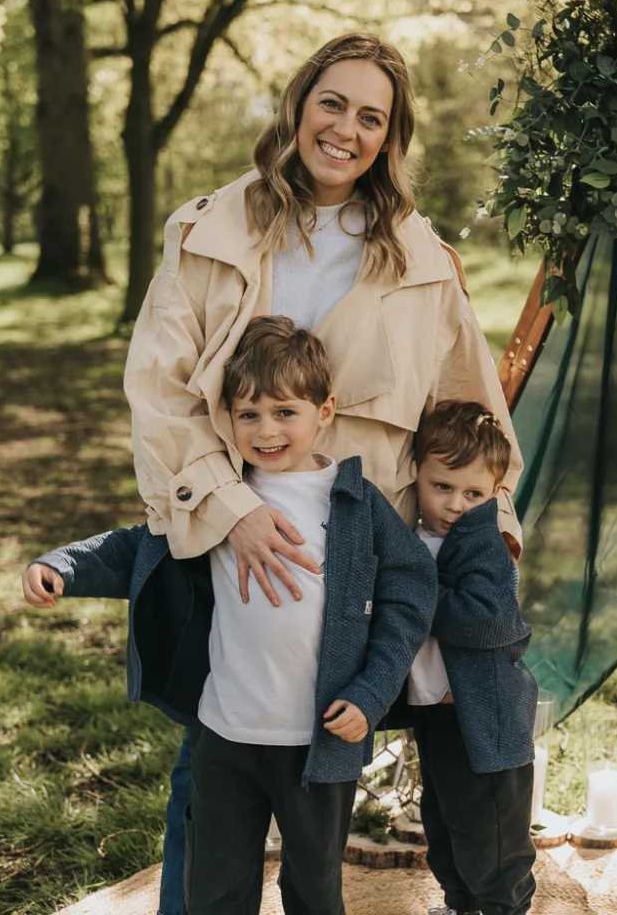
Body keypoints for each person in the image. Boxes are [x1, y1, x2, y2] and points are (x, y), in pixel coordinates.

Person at [120, 31, 525, 915]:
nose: (346, 128)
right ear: (300, 106)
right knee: (215, 765)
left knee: (427, 769)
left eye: (371, 116)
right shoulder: (209, 231)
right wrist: (231, 512)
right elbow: (157, 390)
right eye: (332, 103)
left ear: (391, 137)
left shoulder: (422, 259)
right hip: (236, 545)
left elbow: (469, 409)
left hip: (374, 561)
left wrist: (488, 536)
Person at [22, 316, 438, 915]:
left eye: (284, 412)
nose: (266, 431)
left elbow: (411, 593)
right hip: (226, 733)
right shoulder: (223, 498)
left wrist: (372, 692)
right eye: (248, 415)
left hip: (317, 741)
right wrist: (62, 564)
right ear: (228, 421)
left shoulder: (355, 502)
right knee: (214, 890)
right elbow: (141, 546)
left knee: (315, 893)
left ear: (326, 410)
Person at [409, 400, 538, 915]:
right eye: (442, 486)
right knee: (445, 824)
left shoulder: (485, 539)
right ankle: (460, 905)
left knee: (494, 840)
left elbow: (487, 619)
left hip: (484, 719)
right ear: (416, 474)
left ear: (495, 495)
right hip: (437, 713)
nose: (457, 504)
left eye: (474, 493)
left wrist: (413, 597)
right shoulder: (417, 537)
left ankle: (503, 909)